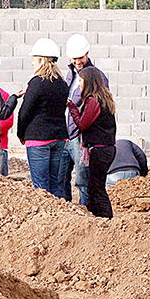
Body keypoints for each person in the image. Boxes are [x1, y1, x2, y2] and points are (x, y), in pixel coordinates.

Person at [58, 34, 109, 206]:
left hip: (80, 137)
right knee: (60, 178)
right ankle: (65, 215)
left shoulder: (96, 77)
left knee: (82, 181)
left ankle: (85, 215)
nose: (77, 62)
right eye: (74, 59)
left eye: (80, 58)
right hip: (66, 135)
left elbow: (97, 108)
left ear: (87, 53)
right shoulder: (70, 74)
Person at [17, 39, 69, 197]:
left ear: (41, 60)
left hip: (38, 138)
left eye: (34, 60)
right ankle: (58, 217)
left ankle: (46, 220)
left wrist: (21, 134)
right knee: (55, 183)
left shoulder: (37, 83)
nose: (33, 64)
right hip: (59, 138)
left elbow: (25, 112)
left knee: (41, 187)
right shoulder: (62, 83)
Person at [67, 66, 116, 218]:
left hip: (99, 150)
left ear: (88, 82)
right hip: (106, 149)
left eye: (81, 81)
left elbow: (82, 124)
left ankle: (106, 219)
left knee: (97, 188)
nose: (79, 84)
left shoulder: (92, 101)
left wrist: (72, 108)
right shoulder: (104, 99)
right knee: (93, 186)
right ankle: (95, 216)